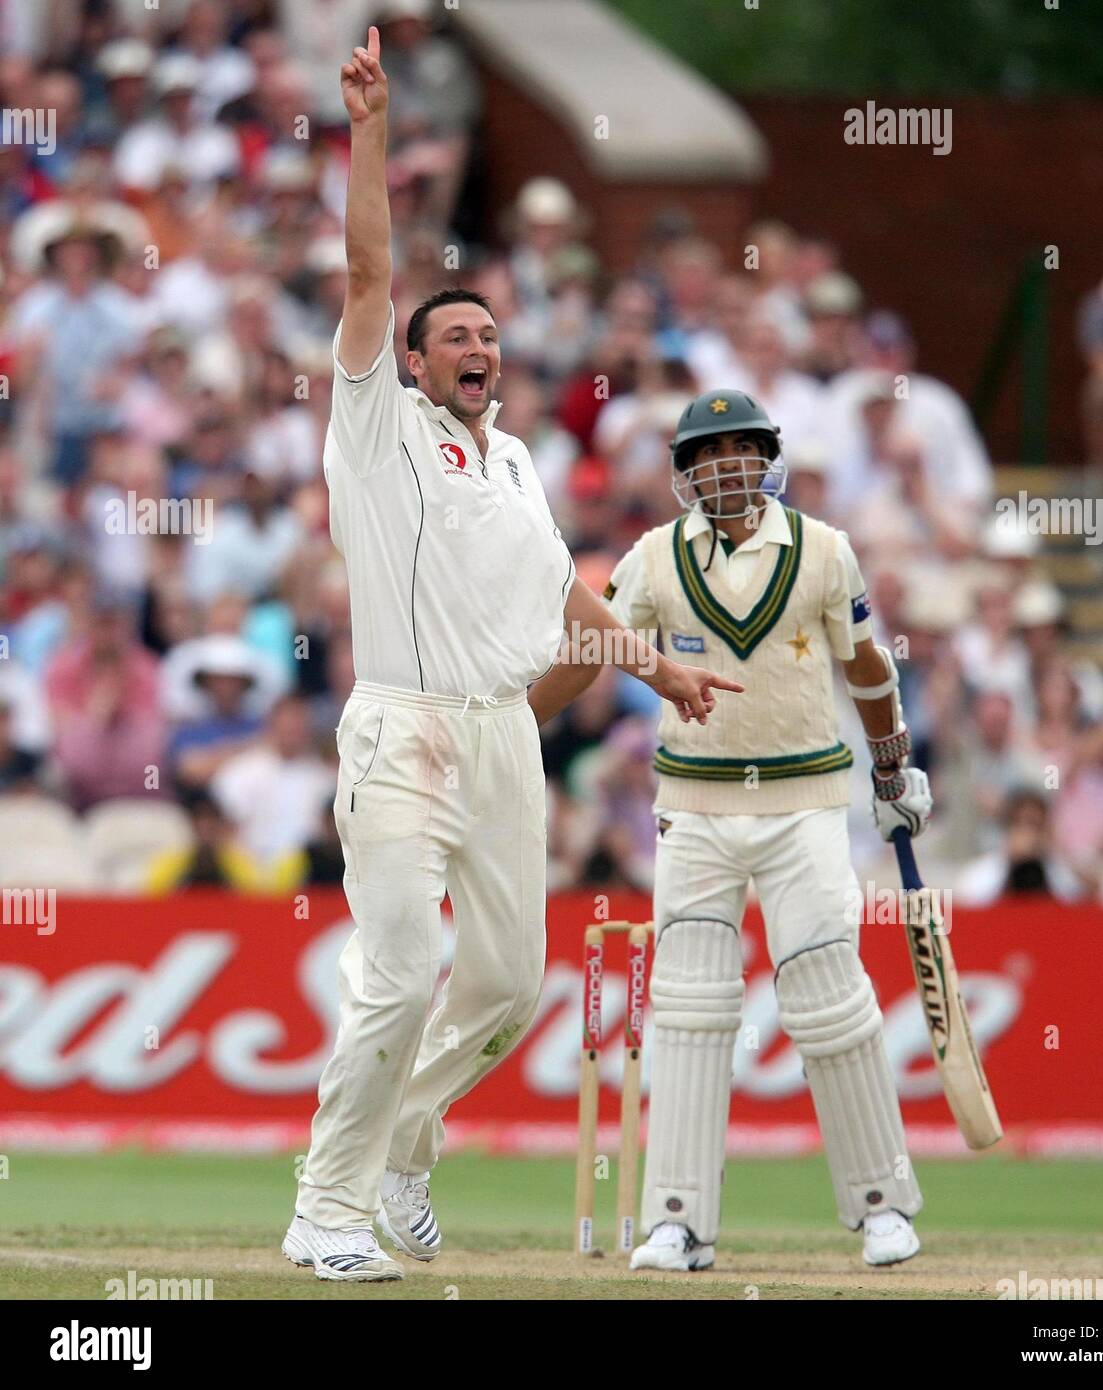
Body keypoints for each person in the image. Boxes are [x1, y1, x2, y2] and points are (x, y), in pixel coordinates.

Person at [282, 29, 739, 1282]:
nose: (479, 346)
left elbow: (568, 597)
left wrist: (664, 669)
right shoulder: (378, 427)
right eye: (456, 335)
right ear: (417, 362)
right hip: (402, 724)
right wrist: (371, 128)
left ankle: (406, 1143)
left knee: (499, 983)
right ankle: (323, 1209)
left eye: (490, 332)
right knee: (401, 969)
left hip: (499, 736)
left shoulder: (519, 460)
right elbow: (371, 270)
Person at [528, 389, 933, 1271]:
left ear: (766, 459)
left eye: (740, 450)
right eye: (707, 455)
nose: (726, 467)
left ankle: (881, 1207)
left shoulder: (824, 551)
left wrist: (894, 762)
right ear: (684, 474)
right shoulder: (652, 558)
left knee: (829, 993)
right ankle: (678, 1220)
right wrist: (513, 728)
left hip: (805, 803)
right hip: (696, 809)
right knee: (689, 1006)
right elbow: (590, 654)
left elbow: (865, 666)